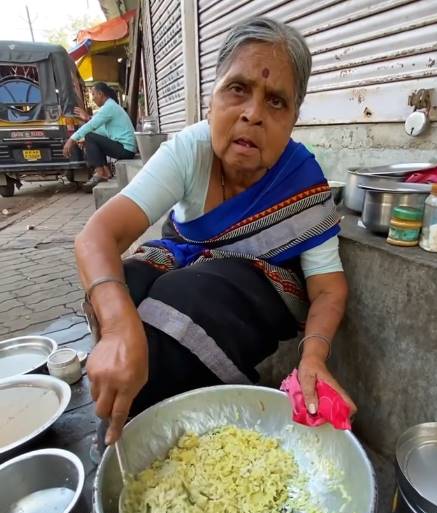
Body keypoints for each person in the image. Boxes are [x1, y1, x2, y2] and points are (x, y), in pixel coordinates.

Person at [75, 17, 356, 445]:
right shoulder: (190, 150)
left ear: (294, 119)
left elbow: (328, 288)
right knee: (124, 285)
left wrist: (313, 357)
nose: (252, 114)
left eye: (276, 102)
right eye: (238, 89)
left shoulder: (302, 181)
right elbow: (97, 237)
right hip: (187, 265)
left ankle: (179, 432)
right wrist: (117, 327)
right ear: (213, 97)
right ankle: (127, 419)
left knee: (183, 297)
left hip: (253, 293)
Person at [63, 82, 137, 192]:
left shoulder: (109, 107)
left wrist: (72, 139)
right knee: (90, 138)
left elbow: (92, 126)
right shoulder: (110, 106)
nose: (93, 99)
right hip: (126, 148)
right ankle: (106, 172)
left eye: (93, 95)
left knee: (89, 135)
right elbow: (102, 130)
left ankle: (100, 173)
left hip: (126, 149)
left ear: (100, 94)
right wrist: (85, 140)